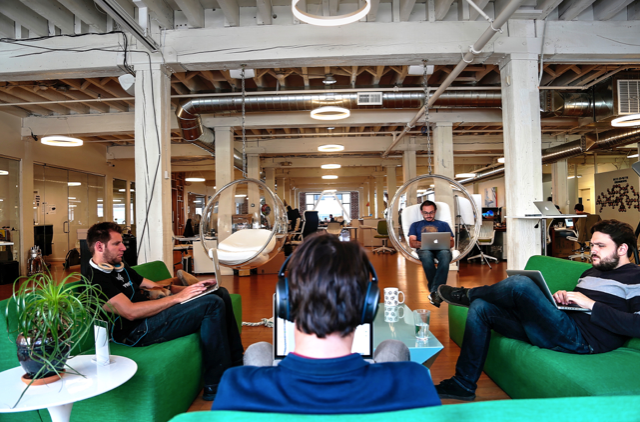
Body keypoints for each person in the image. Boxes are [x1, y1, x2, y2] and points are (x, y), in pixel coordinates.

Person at [212, 233, 441, 413]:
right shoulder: (412, 380)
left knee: (259, 350)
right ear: (367, 306)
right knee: (394, 347)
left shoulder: (237, 386)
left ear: (285, 304)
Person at [434, 219, 640, 401]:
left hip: (582, 340)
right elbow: (579, 304)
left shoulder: (635, 277)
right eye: (592, 245)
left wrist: (590, 304)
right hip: (560, 325)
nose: (593, 250)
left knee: (521, 284)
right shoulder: (591, 271)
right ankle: (463, 384)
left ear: (622, 249)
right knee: (482, 308)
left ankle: (466, 295)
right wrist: (565, 298)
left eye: (600, 246)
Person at [83, 222, 243, 401]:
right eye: (116, 244)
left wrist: (194, 288)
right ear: (99, 246)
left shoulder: (119, 266)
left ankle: (237, 362)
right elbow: (130, 312)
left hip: (153, 317)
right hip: (137, 331)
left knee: (219, 293)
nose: (123, 248)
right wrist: (177, 298)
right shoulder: (94, 279)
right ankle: (216, 384)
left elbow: (153, 286)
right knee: (211, 304)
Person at [408, 200, 454, 308]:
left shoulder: (443, 225)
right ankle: (437, 292)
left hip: (441, 249)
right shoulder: (415, 225)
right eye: (426, 213)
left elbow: (451, 242)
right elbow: (412, 243)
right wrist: (426, 243)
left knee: (445, 255)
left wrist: (441, 243)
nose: (429, 215)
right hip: (424, 249)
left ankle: (434, 291)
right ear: (421, 212)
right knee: (426, 256)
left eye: (431, 212)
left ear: (435, 211)